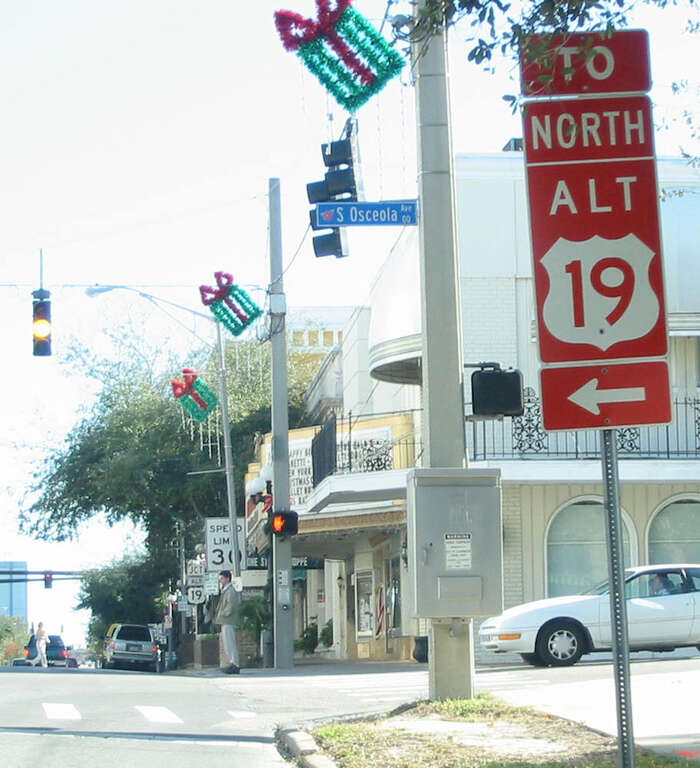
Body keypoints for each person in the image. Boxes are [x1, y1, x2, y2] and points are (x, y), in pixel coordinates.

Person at [214, 570, 240, 674]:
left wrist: (223, 614)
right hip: (225, 621)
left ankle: (235, 664)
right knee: (227, 644)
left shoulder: (230, 591)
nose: (220, 581)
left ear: (227, 578)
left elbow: (231, 606)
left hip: (229, 620)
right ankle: (232, 663)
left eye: (222, 578)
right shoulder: (225, 590)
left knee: (230, 643)